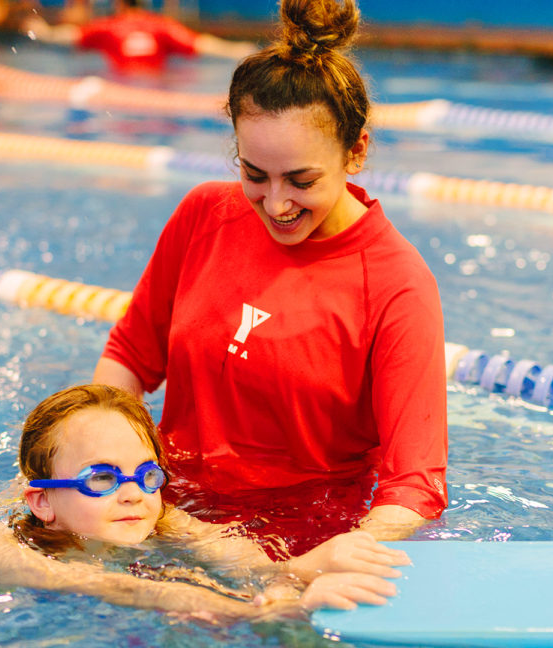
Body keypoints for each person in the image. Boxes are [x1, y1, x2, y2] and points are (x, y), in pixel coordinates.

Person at [93, 0, 448, 554]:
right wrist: (98, 467)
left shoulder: (396, 284)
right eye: (254, 175)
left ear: (356, 152)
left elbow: (415, 485)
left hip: (292, 553)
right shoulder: (205, 212)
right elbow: (131, 356)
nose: (276, 203)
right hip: (168, 520)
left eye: (301, 181)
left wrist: (336, 558)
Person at [0, 383, 409, 620]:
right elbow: (127, 590)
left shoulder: (159, 518)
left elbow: (244, 560)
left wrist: (298, 573)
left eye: (146, 475)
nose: (133, 493)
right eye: (102, 478)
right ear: (42, 502)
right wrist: (280, 611)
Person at [22, 0, 258, 74]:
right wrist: (237, 50)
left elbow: (66, 36)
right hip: (157, 84)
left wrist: (42, 31)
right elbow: (203, 44)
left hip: (121, 86)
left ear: (119, 4)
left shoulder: (108, 26)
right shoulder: (161, 25)